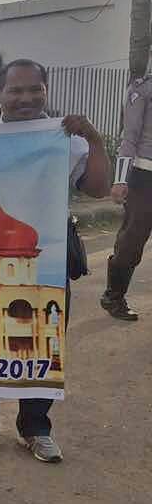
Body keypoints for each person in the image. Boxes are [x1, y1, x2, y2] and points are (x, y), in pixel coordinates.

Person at [0, 59, 109, 463]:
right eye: (16, 90)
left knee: (44, 341)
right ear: (0, 94)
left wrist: (94, 139)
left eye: (33, 90)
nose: (25, 98)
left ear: (45, 90)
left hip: (43, 256)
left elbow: (99, 189)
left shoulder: (65, 139)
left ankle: (35, 427)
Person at [100, 74, 152, 321]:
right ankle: (114, 297)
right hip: (145, 177)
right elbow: (129, 136)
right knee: (132, 241)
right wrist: (120, 179)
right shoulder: (143, 88)